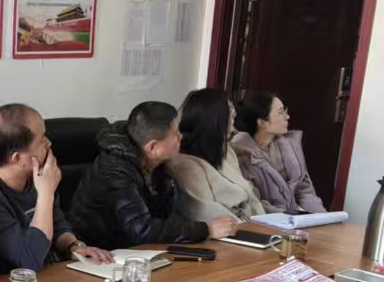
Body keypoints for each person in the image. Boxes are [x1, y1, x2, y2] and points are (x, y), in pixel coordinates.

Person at [0, 103, 112, 272]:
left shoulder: (34, 173)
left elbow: (57, 224)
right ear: (17, 158)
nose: (49, 143)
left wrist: (73, 246)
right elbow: (29, 259)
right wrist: (46, 194)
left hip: (52, 272)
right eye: (41, 140)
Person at [66, 101, 210, 250]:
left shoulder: (153, 161)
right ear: (153, 147)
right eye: (175, 133)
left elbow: (162, 216)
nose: (180, 137)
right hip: (99, 253)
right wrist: (206, 230)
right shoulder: (114, 170)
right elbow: (141, 229)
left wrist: (167, 179)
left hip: (135, 249)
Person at [167, 87, 262, 234]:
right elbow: (207, 213)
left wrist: (271, 223)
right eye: (229, 109)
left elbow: (251, 198)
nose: (234, 113)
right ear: (214, 119)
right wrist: (253, 231)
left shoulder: (226, 153)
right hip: (226, 234)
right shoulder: (185, 165)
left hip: (250, 228)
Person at [231, 91, 325, 214]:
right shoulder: (240, 154)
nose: (287, 117)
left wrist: (319, 216)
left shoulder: (291, 146)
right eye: (280, 112)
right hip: (267, 219)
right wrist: (289, 216)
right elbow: (253, 202)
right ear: (262, 123)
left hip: (297, 217)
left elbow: (304, 190)